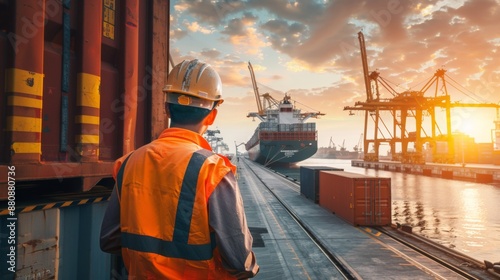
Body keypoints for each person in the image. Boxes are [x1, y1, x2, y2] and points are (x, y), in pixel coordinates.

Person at [100, 59, 259, 279]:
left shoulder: (128, 163)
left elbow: (109, 239)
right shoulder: (213, 171)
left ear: (166, 108)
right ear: (212, 116)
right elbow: (239, 261)